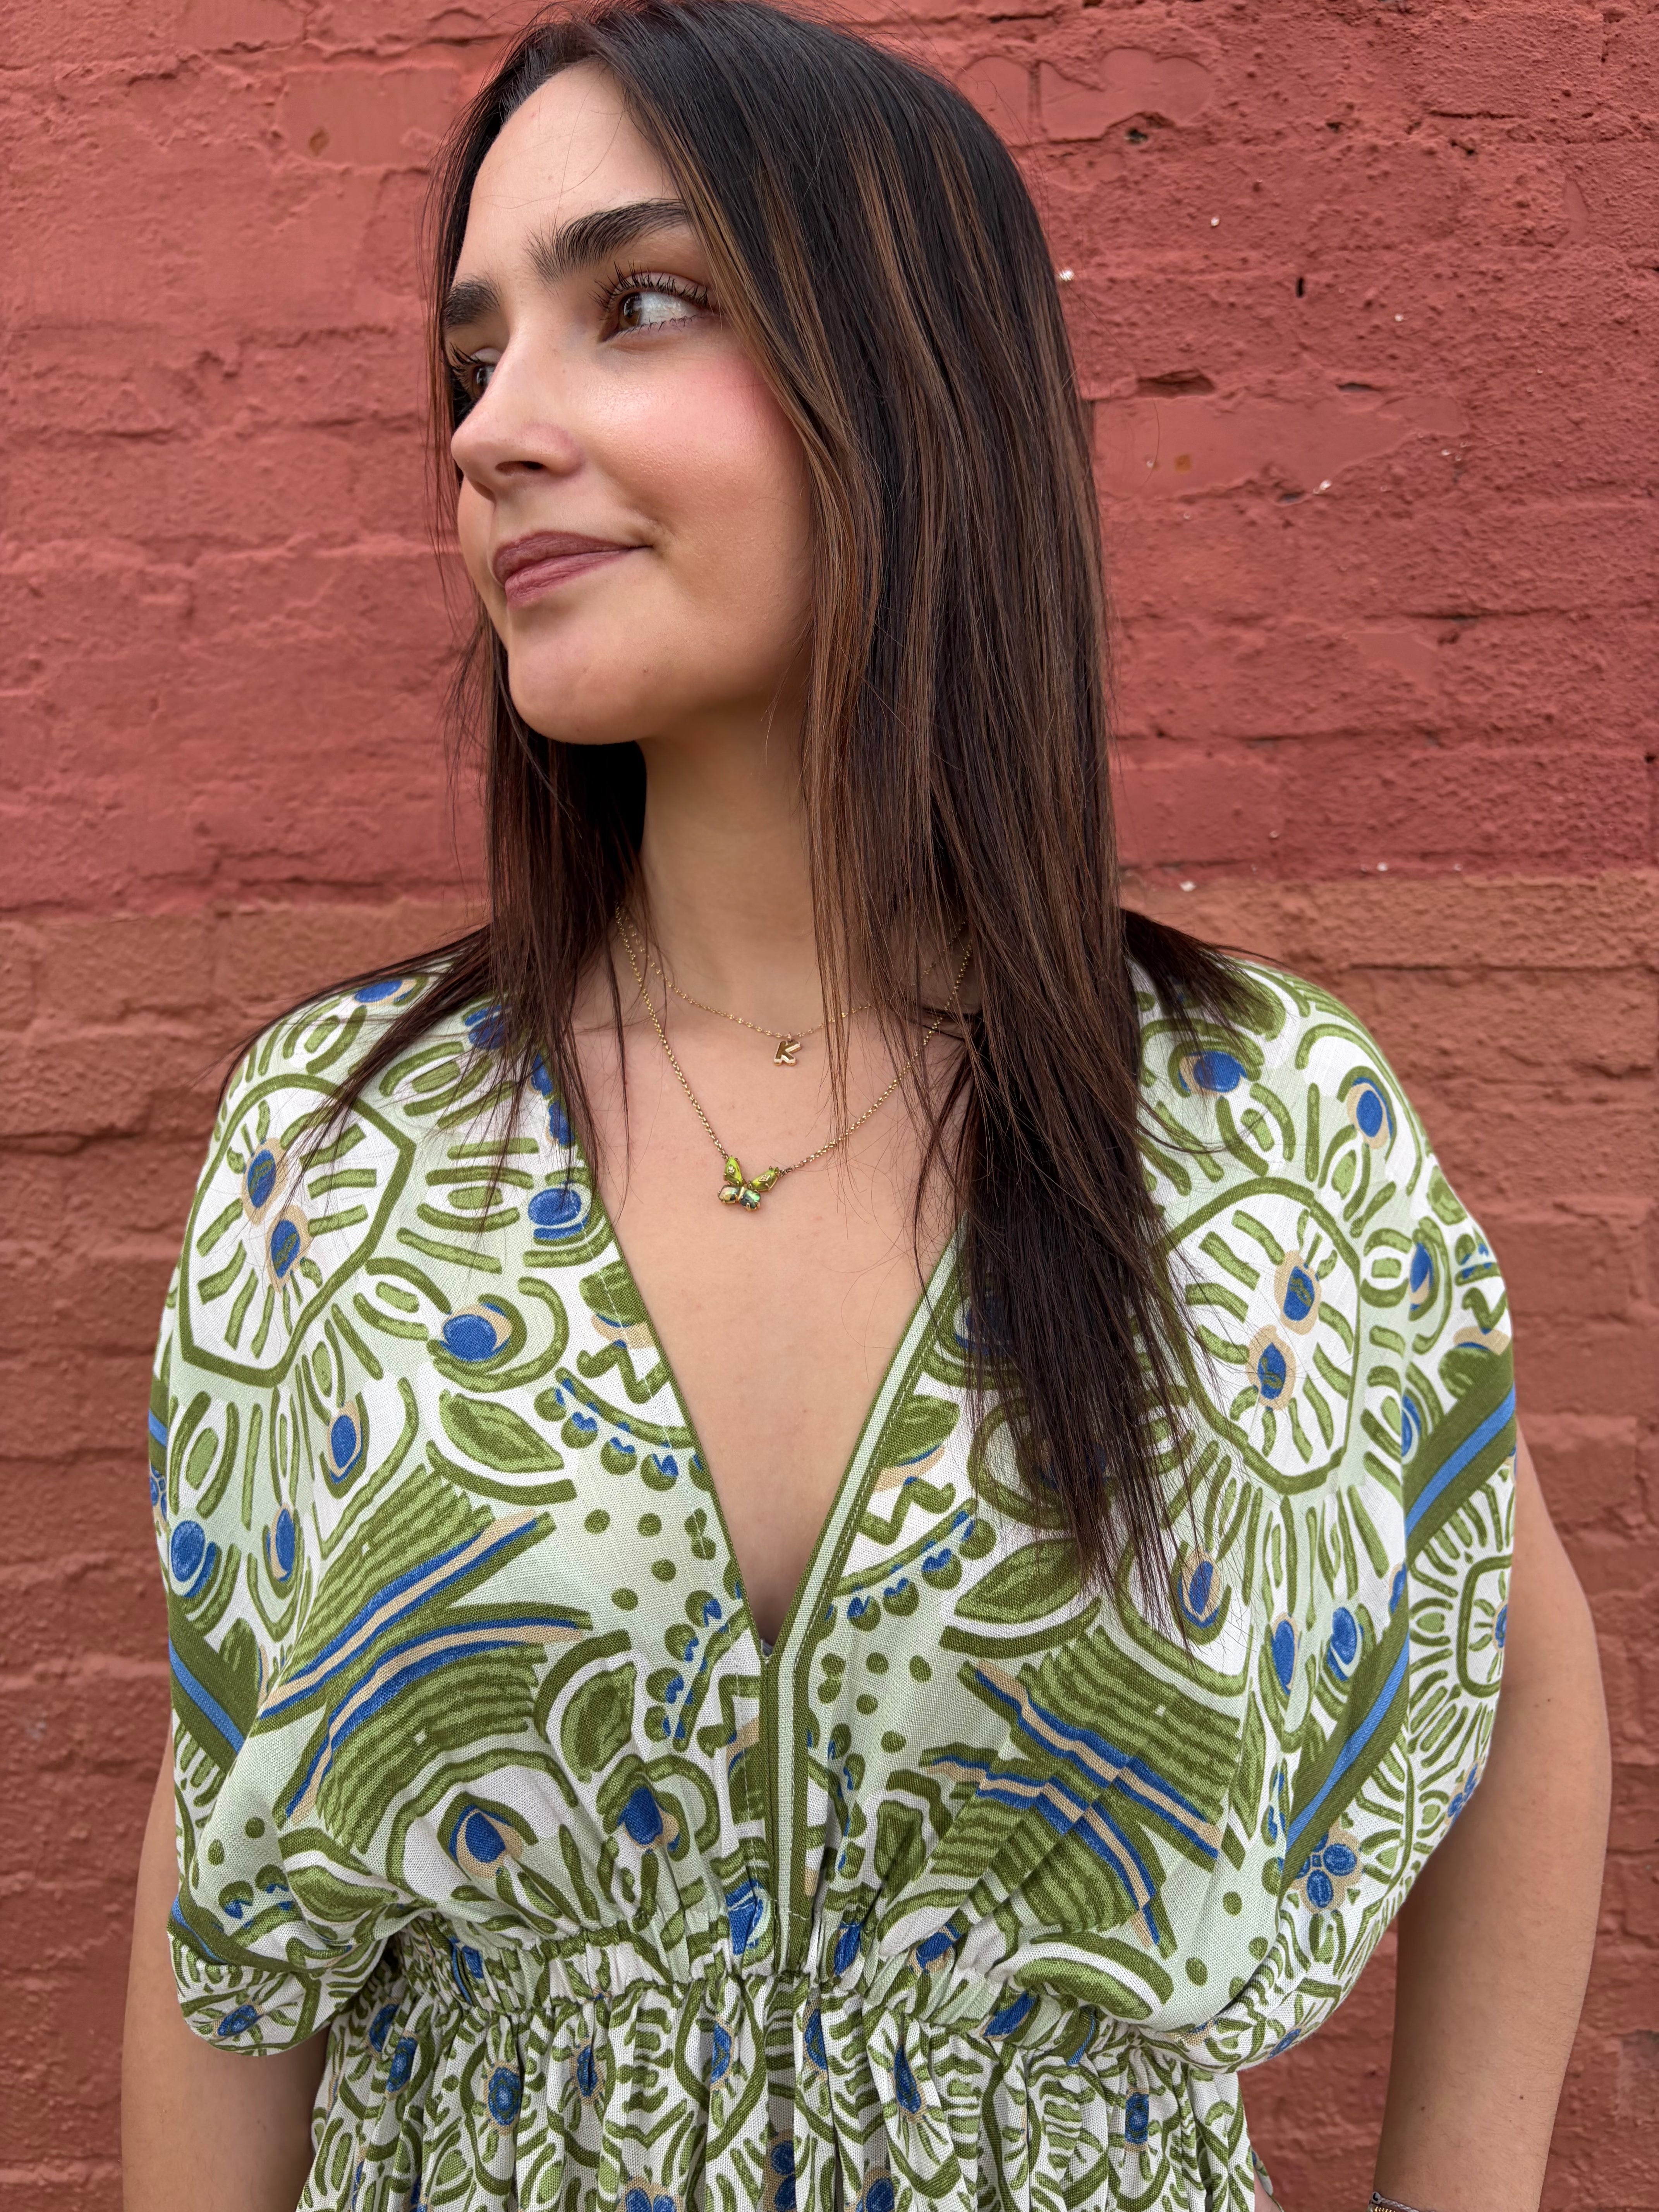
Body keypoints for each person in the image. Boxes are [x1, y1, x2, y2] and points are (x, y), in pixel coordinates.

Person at [120, 5, 1610, 2209]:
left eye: (636, 304)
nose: (492, 431)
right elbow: (230, 1848)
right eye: (471, 359)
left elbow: (1503, 1658)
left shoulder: (1256, 1128)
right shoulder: (345, 1151)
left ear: (910, 380)